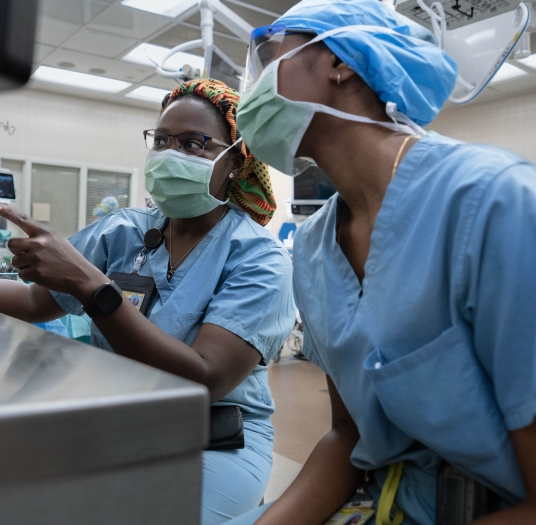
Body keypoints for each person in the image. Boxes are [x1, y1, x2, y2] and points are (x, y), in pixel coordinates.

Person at [0, 79, 296, 525]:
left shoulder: (259, 258)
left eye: (194, 144)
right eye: (161, 141)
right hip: (116, 420)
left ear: (236, 163)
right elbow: (38, 301)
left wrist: (93, 288)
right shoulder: (125, 231)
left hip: (213, 439)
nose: (171, 156)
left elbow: (206, 378)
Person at [226, 1, 536, 524]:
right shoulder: (315, 245)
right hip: (395, 500)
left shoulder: (494, 204)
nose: (254, 89)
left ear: (339, 63)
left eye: (273, 54)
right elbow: (347, 434)